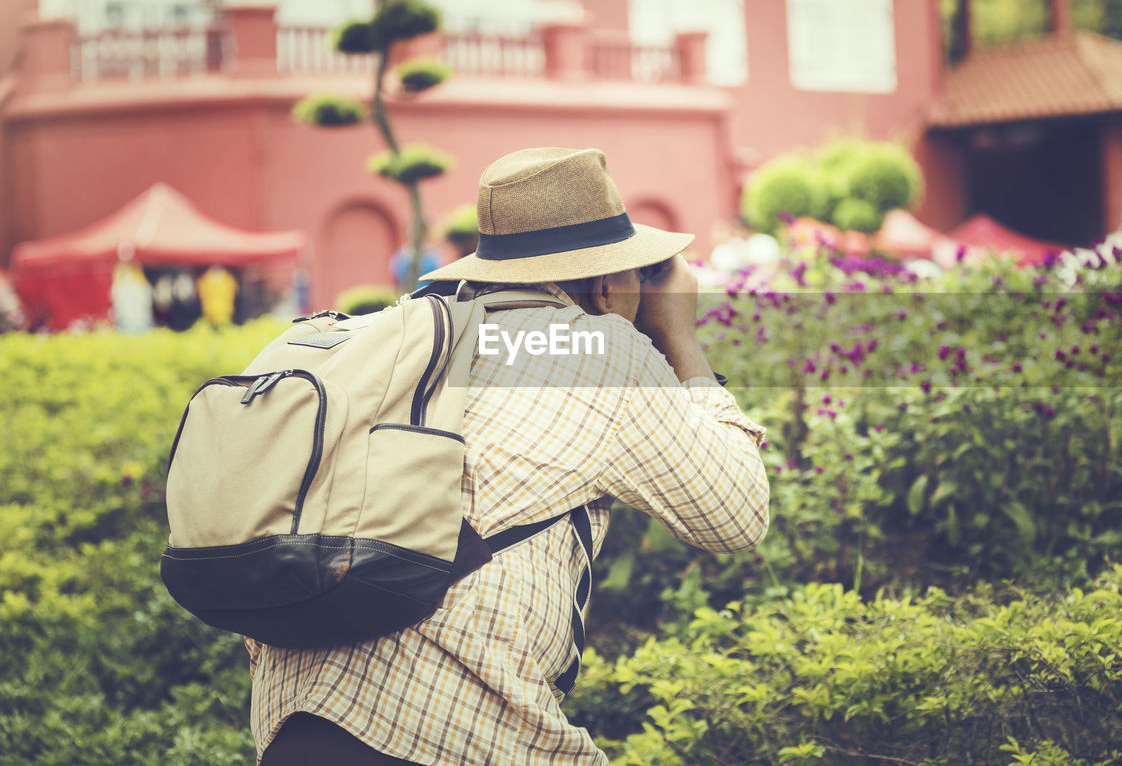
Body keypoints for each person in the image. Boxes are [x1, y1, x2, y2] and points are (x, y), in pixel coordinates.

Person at [249, 147, 770, 765]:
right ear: (605, 285)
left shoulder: (395, 336)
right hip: (447, 733)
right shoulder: (598, 351)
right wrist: (679, 336)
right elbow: (736, 514)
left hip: (292, 728)